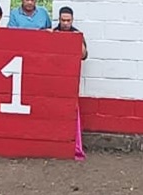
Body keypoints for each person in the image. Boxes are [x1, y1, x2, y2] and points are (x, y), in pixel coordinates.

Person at [54, 6, 88, 161]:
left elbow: (83, 55)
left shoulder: (77, 34)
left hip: (69, 80)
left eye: (68, 20)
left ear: (72, 20)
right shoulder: (54, 33)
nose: (66, 23)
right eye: (63, 20)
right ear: (59, 20)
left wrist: (78, 40)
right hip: (55, 78)